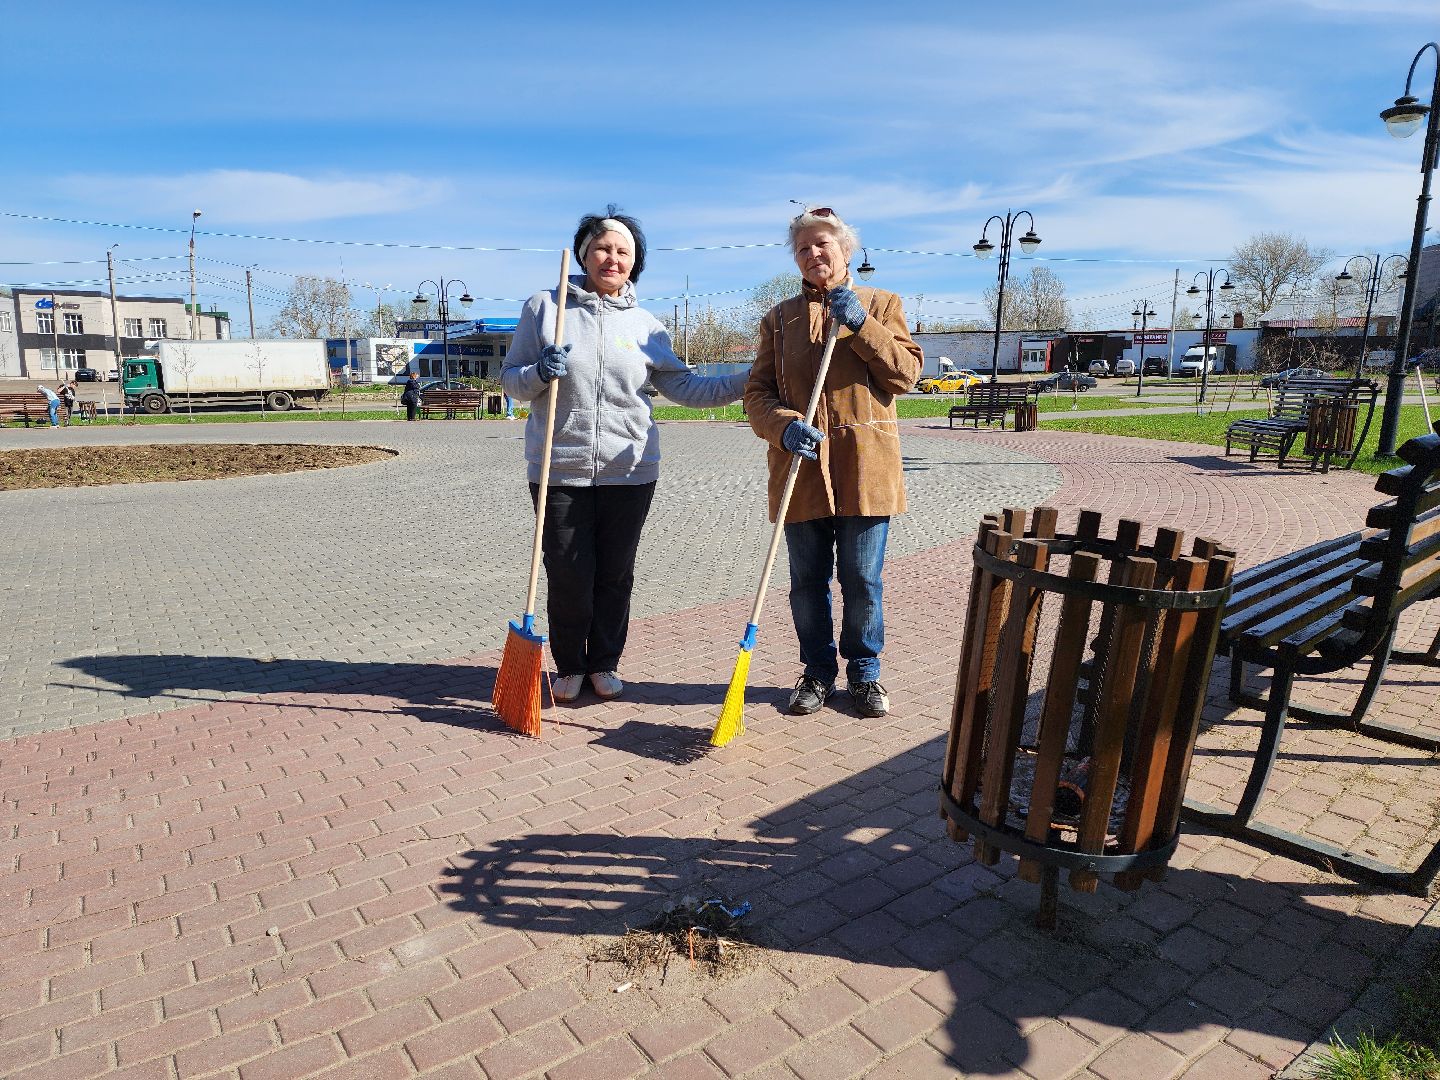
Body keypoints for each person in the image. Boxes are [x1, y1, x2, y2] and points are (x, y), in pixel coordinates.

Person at [502, 206, 748, 704]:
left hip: (630, 472)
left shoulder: (645, 325)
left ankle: (605, 662)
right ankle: (570, 664)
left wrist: (753, 378)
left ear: (634, 263)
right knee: (568, 570)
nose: (612, 258)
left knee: (615, 573)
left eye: (623, 252)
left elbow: (687, 386)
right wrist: (538, 373)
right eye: (603, 248)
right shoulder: (544, 309)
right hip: (560, 467)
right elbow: (510, 380)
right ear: (583, 253)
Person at [744, 207, 922, 719]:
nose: (813, 253)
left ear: (847, 250)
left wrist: (862, 324)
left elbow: (905, 374)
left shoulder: (882, 304)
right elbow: (757, 392)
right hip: (801, 472)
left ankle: (865, 674)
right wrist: (781, 425)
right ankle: (817, 672)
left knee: (863, 579)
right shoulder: (779, 319)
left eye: (823, 244)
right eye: (802, 248)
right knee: (807, 582)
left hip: (865, 469)